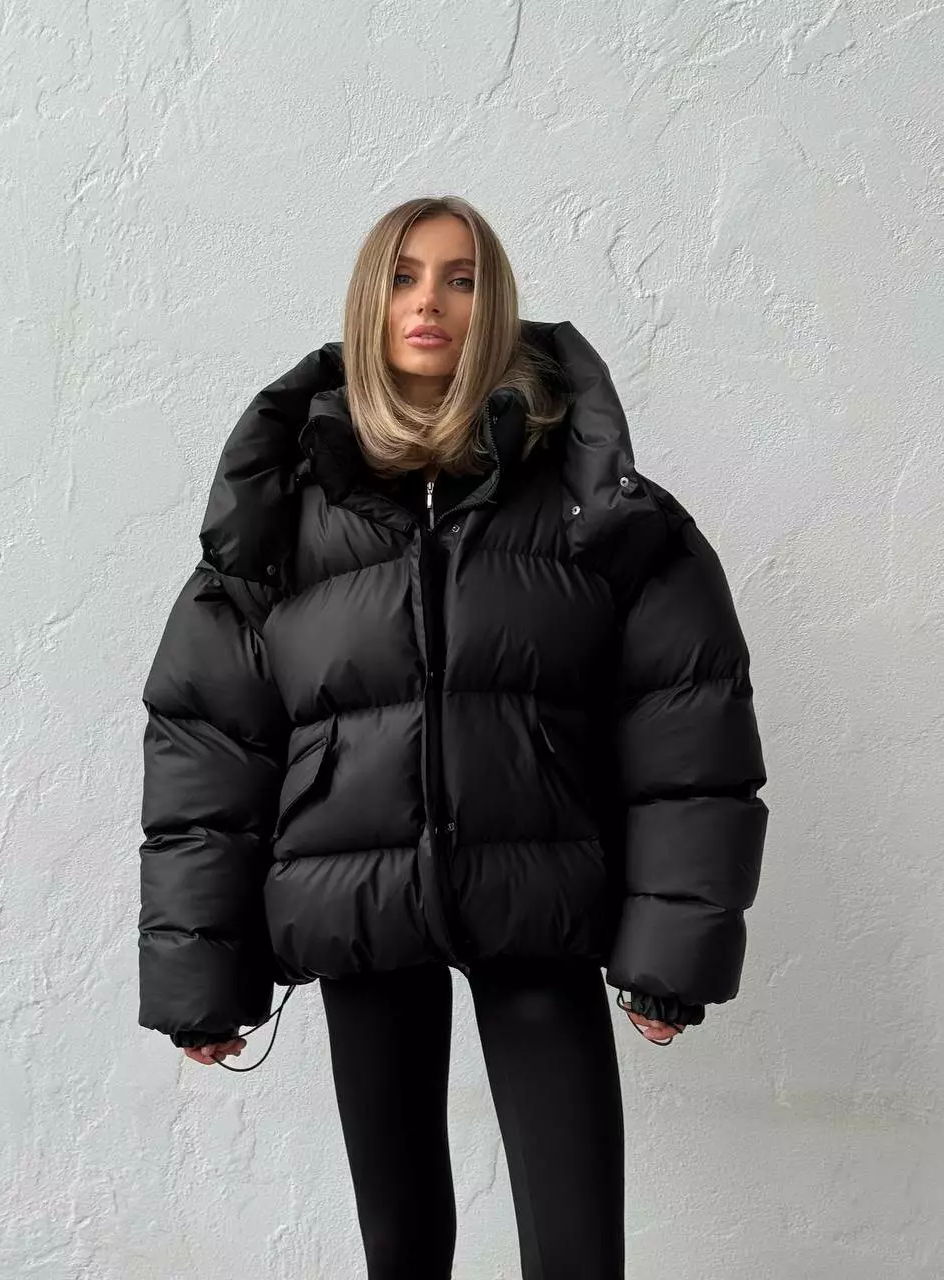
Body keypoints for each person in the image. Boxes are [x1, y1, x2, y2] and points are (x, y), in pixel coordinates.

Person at [137, 195, 769, 1278]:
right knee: (400, 1245)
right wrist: (203, 973)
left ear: (495, 304)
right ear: (368, 301)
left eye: (461, 278)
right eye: (403, 276)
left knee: (576, 1245)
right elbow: (209, 743)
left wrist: (670, 954)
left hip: (540, 898)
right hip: (355, 901)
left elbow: (686, 728)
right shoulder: (283, 516)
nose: (429, 300)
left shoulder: (594, 507)